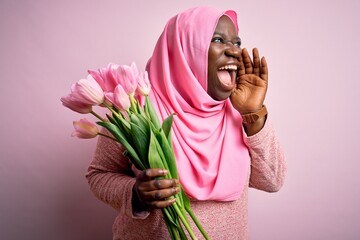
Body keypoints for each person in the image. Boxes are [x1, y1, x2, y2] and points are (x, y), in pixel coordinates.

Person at [86, 6, 286, 239]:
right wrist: (135, 194)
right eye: (219, 39)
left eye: (237, 42)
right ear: (183, 50)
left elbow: (272, 181)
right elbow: (99, 175)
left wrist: (254, 113)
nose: (234, 51)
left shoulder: (239, 111)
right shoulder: (134, 108)